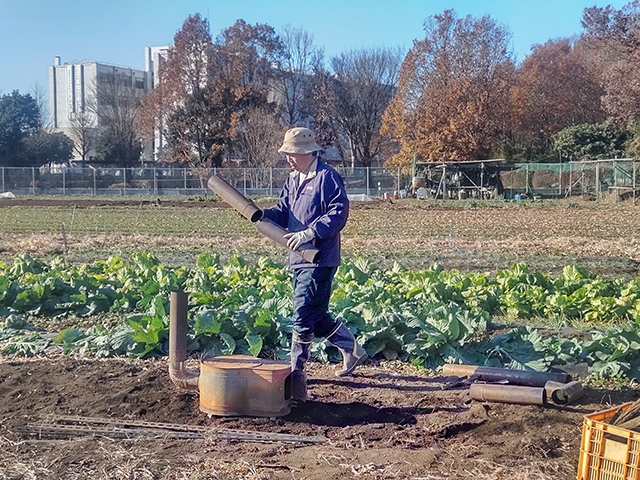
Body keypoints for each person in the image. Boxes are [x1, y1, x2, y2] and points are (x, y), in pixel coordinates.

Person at [262, 127, 365, 401]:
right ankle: (351, 349)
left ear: (308, 153)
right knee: (316, 316)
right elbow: (283, 212)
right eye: (286, 154)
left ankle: (297, 372)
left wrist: (310, 233)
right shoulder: (293, 179)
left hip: (319, 258)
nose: (288, 159)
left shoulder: (327, 178)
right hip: (297, 258)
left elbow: (338, 213)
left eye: (292, 154)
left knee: (302, 313)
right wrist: (262, 214)